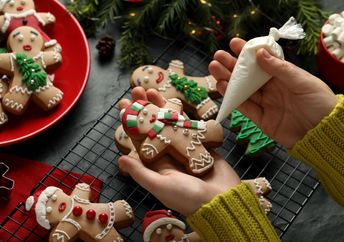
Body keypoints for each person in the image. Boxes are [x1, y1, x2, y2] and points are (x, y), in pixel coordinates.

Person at [118, 37, 344, 241]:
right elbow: (151, 146)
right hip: (190, 148)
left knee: (210, 130)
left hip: (198, 131)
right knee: (198, 147)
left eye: (146, 112)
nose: (148, 115)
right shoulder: (156, 135)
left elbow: (174, 103)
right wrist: (329, 131)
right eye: (142, 119)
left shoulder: (171, 106)